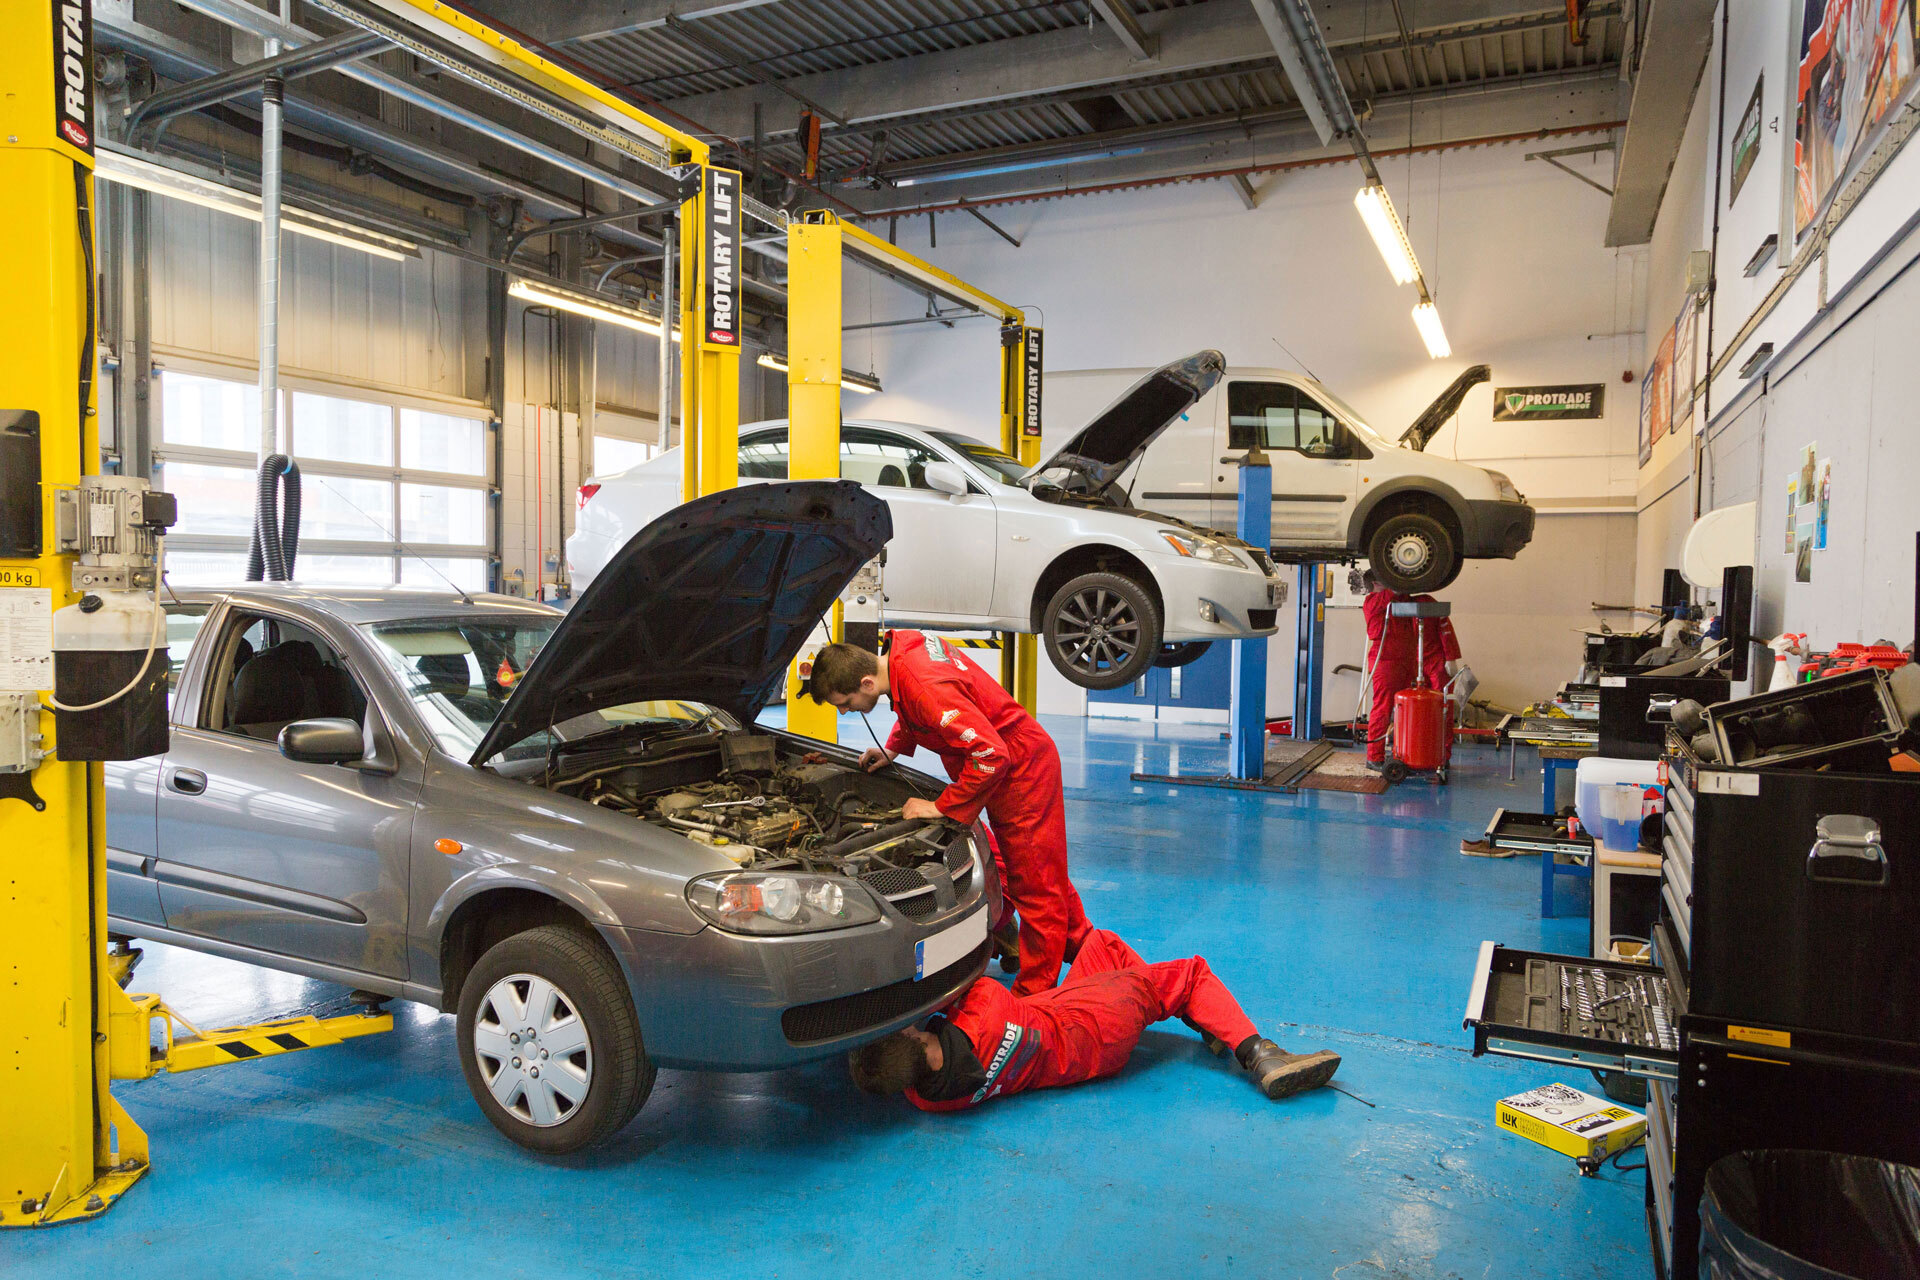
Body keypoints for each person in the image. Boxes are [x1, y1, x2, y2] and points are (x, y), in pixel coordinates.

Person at [808, 632, 1090, 994]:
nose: (845, 711)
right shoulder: (903, 654)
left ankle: (1034, 994)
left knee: (1035, 887)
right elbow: (916, 706)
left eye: (845, 702)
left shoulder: (921, 684)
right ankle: (1084, 946)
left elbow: (992, 755)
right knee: (1042, 871)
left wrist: (941, 806)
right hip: (1014, 764)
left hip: (1021, 772)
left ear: (865, 682)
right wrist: (894, 748)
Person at [848, 928, 1342, 1109]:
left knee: (1101, 944)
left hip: (1066, 1043)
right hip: (1094, 1023)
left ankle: (1195, 1015)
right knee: (1189, 974)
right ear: (914, 1036)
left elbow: (917, 1060)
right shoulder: (985, 1009)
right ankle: (1262, 1055)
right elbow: (966, 979)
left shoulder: (929, 1097)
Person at [1362, 570, 1462, 771]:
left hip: (1407, 661)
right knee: (1383, 709)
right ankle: (1374, 756)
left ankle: (1407, 751)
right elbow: (1395, 590)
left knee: (1406, 710)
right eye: (1387, 580)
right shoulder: (1373, 601)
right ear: (1376, 583)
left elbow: (1409, 596)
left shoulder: (1399, 600)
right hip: (1386, 661)